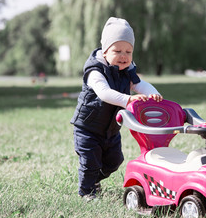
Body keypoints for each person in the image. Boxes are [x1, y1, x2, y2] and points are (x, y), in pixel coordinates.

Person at [70, 17, 163, 201]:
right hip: (88, 128)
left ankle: (94, 179)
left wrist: (153, 94)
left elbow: (139, 84)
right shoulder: (95, 70)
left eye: (128, 51)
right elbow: (104, 93)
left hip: (111, 129)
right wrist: (128, 100)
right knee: (90, 162)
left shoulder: (126, 70)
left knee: (114, 161)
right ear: (105, 51)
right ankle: (87, 192)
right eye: (117, 50)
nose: (124, 56)